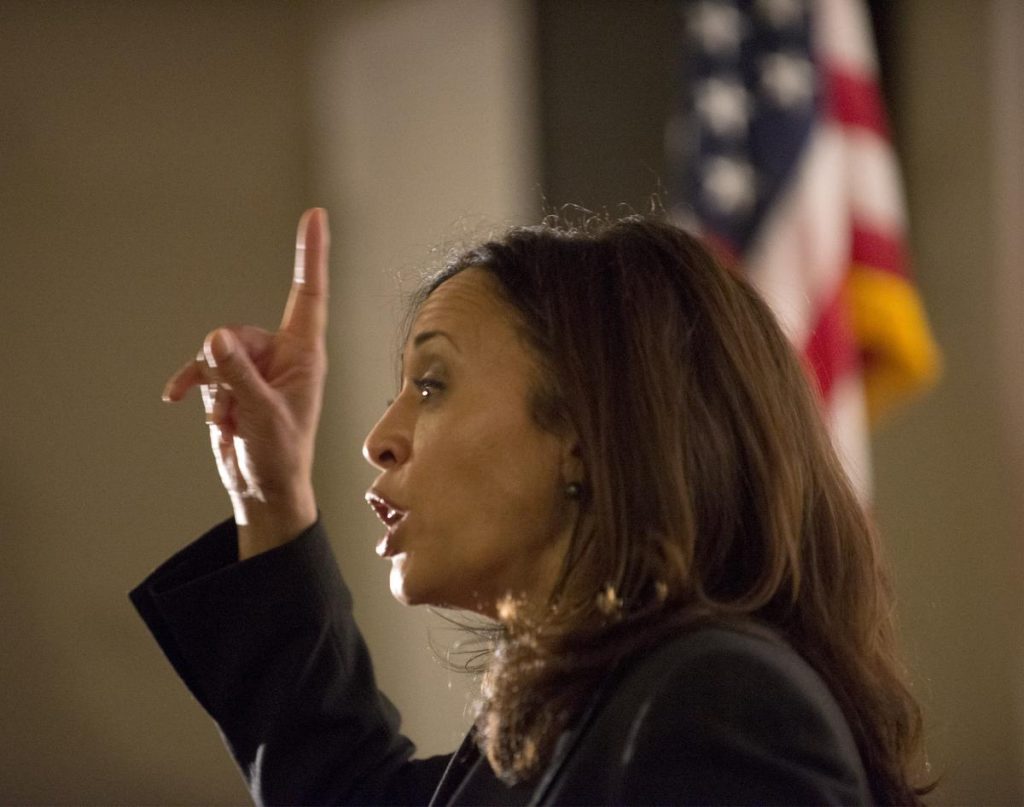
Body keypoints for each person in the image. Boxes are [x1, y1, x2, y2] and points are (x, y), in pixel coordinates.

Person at [132, 208, 930, 804]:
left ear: (586, 428)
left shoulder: (717, 706)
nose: (379, 436)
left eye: (432, 385)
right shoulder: (560, 728)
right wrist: (270, 497)